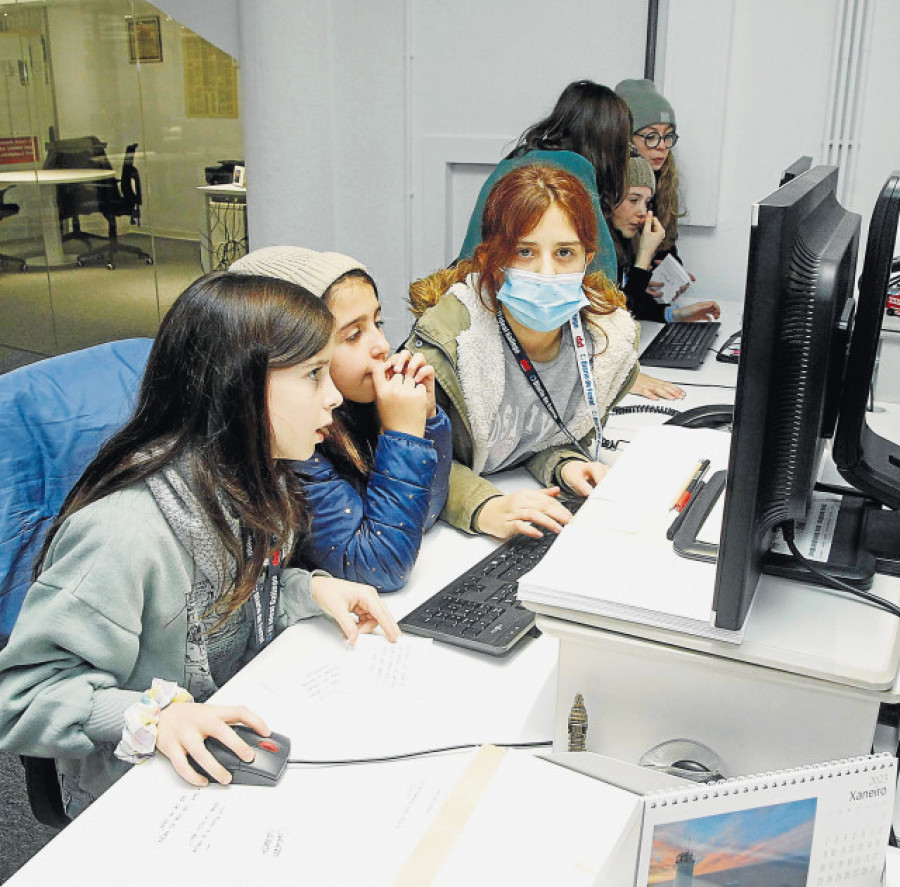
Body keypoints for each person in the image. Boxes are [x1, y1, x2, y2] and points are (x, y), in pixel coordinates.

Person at [0, 272, 400, 818]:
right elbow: (20, 697)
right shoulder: (126, 535)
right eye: (313, 375)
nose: (334, 397)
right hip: (135, 791)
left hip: (218, 746)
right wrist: (154, 719)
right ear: (238, 386)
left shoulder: (256, 481)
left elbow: (240, 597)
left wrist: (310, 591)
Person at [405, 163, 639, 541]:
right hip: (448, 533)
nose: (547, 272)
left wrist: (563, 462)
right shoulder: (447, 345)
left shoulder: (603, 343)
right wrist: (484, 506)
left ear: (587, 258)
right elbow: (408, 462)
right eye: (525, 251)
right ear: (491, 261)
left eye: (565, 252)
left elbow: (533, 435)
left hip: (526, 502)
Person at [230, 247, 452, 592]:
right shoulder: (294, 442)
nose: (381, 345)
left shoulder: (354, 407)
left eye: (377, 323)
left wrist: (427, 419)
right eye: (353, 335)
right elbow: (379, 565)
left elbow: (425, 514)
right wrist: (405, 438)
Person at [457, 80, 632, 283]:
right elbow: (602, 275)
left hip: (475, 290)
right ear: (610, 143)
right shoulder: (572, 168)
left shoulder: (514, 160)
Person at [615, 77, 720, 321]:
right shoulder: (612, 196)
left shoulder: (661, 181)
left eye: (668, 136)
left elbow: (666, 248)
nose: (662, 147)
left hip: (640, 314)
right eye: (651, 136)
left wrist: (673, 273)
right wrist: (640, 276)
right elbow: (617, 308)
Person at [611, 155, 720, 325]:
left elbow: (635, 307)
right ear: (609, 199)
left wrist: (676, 314)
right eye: (633, 200)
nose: (642, 212)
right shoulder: (597, 250)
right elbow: (618, 319)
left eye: (647, 202)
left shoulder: (625, 240)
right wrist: (644, 256)